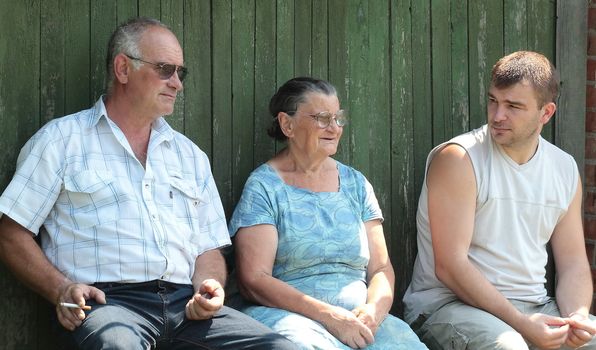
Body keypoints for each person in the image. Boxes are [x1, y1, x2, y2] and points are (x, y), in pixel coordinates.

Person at [0, 17, 297, 350]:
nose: (177, 83)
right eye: (165, 69)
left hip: (187, 307)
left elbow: (208, 248)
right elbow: (12, 232)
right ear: (123, 69)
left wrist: (208, 286)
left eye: (180, 73)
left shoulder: (190, 155)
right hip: (108, 303)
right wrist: (60, 289)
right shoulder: (61, 141)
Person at [403, 50, 596, 349]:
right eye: (493, 101)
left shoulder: (564, 168)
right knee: (509, 346)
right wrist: (522, 325)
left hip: (534, 308)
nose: (497, 116)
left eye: (513, 106)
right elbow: (450, 267)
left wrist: (578, 318)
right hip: (448, 308)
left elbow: (573, 264)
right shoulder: (459, 158)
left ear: (546, 113)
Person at [228, 77, 427, 349]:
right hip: (291, 317)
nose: (334, 128)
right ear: (288, 124)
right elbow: (254, 279)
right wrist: (331, 317)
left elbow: (381, 268)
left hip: (361, 317)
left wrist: (374, 311)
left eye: (337, 118)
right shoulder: (264, 187)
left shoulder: (355, 183)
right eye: (322, 118)